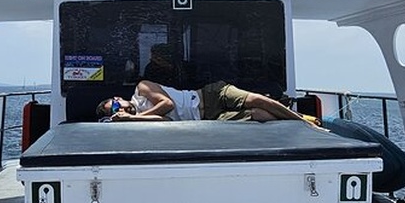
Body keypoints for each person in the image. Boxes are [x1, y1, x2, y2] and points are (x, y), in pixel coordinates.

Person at [96, 79, 313, 123]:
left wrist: (137, 117)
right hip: (207, 117)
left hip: (209, 95)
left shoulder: (141, 89)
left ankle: (302, 119)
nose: (120, 109)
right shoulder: (140, 124)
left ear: (119, 99)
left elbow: (167, 105)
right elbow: (167, 122)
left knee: (256, 100)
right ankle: (293, 122)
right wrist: (133, 121)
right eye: (113, 112)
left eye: (116, 105)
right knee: (257, 115)